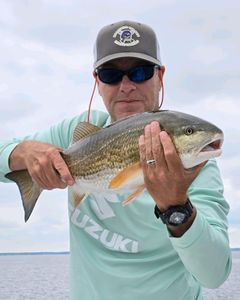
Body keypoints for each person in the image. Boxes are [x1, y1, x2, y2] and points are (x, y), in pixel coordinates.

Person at [0, 20, 232, 300]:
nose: (126, 86)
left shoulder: (198, 166)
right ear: (97, 82)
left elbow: (214, 274)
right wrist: (23, 152)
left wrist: (176, 207)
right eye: (111, 75)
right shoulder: (77, 132)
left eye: (141, 72)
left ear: (160, 76)